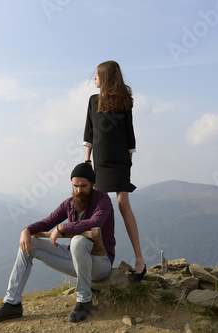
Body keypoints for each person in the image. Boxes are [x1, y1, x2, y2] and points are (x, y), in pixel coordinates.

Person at [0, 163, 115, 324]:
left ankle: (84, 300)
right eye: (75, 186)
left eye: (83, 186)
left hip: (100, 263)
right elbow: (47, 222)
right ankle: (12, 303)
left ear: (93, 184)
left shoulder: (103, 200)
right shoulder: (69, 203)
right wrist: (26, 230)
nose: (79, 190)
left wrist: (62, 227)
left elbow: (95, 222)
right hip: (76, 259)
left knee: (78, 240)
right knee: (30, 243)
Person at [83, 60, 146, 281]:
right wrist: (86, 161)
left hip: (120, 162)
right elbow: (89, 133)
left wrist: (128, 163)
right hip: (99, 163)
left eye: (97, 75)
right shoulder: (92, 101)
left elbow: (130, 136)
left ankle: (140, 260)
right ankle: (98, 259)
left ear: (106, 77)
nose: (94, 79)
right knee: (99, 207)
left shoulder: (124, 102)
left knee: (122, 204)